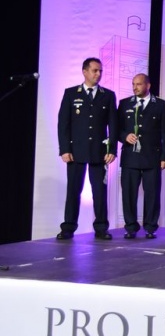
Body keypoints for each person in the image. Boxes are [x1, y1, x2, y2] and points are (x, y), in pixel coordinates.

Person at [56, 57, 118, 240]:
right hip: (76, 151)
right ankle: (68, 227)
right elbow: (63, 124)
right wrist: (64, 149)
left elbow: (113, 125)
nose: (98, 74)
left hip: (99, 151)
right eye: (94, 70)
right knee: (73, 191)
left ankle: (101, 227)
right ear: (84, 71)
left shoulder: (108, 95)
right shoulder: (70, 93)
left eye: (100, 71)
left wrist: (112, 150)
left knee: (99, 192)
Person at [118, 73, 165, 239]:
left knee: (152, 194)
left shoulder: (161, 105)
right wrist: (125, 136)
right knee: (128, 194)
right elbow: (117, 129)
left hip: (152, 157)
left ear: (148, 85)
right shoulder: (124, 103)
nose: (135, 87)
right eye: (133, 84)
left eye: (139, 84)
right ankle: (130, 227)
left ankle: (150, 227)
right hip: (130, 157)